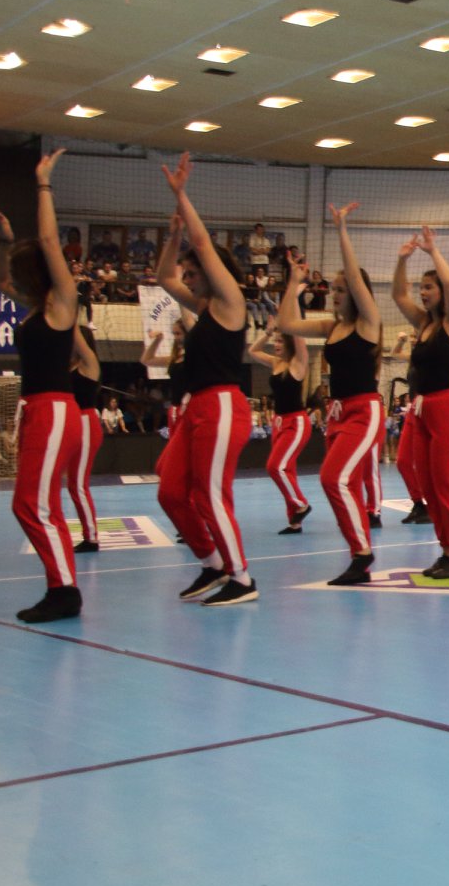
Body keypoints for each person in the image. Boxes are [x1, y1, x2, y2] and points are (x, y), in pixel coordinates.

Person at [152, 155, 258, 606]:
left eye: (194, 274)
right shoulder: (201, 307)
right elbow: (163, 276)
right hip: (198, 406)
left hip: (223, 405)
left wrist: (181, 194)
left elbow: (202, 242)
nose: (188, 280)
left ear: (213, 274)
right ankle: (212, 563)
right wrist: (173, 235)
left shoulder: (230, 301)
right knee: (170, 489)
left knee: (210, 493)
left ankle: (242, 578)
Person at [0, 152, 82, 621]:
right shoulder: (35, 309)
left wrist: (43, 184)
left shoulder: (63, 301)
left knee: (30, 502)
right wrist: (6, 240)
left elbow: (47, 240)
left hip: (54, 408)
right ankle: (60, 586)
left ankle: (65, 591)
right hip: (37, 410)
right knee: (40, 503)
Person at [278, 207, 381, 584]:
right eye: (333, 290)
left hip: (364, 412)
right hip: (336, 414)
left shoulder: (368, 323)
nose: (334, 295)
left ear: (354, 292)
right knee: (344, 483)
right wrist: (293, 284)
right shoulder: (331, 326)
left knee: (331, 478)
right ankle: (358, 556)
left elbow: (353, 274)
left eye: (340, 290)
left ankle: (363, 553)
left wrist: (341, 229)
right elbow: (287, 323)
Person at [391, 227, 449, 579]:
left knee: (445, 484)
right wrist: (402, 260)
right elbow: (398, 294)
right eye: (421, 288)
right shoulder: (423, 322)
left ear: (441, 291)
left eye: (429, 287)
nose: (422, 293)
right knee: (427, 485)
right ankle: (446, 550)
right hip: (422, 409)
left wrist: (432, 251)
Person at [248, 320, 313, 534]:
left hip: (296, 422)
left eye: (280, 341)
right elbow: (252, 351)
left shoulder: (298, 363)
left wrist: (290, 320)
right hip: (278, 422)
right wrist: (267, 333)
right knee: (288, 471)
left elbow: (300, 341)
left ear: (290, 343)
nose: (276, 345)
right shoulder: (276, 363)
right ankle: (295, 522)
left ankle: (302, 504)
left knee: (275, 467)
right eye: (275, 341)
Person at [67, 323, 104, 552]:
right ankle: (89, 535)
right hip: (72, 422)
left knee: (78, 484)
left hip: (85, 422)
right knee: (73, 483)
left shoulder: (89, 363)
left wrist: (68, 313)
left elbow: (74, 335)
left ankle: (91, 538)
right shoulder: (70, 364)